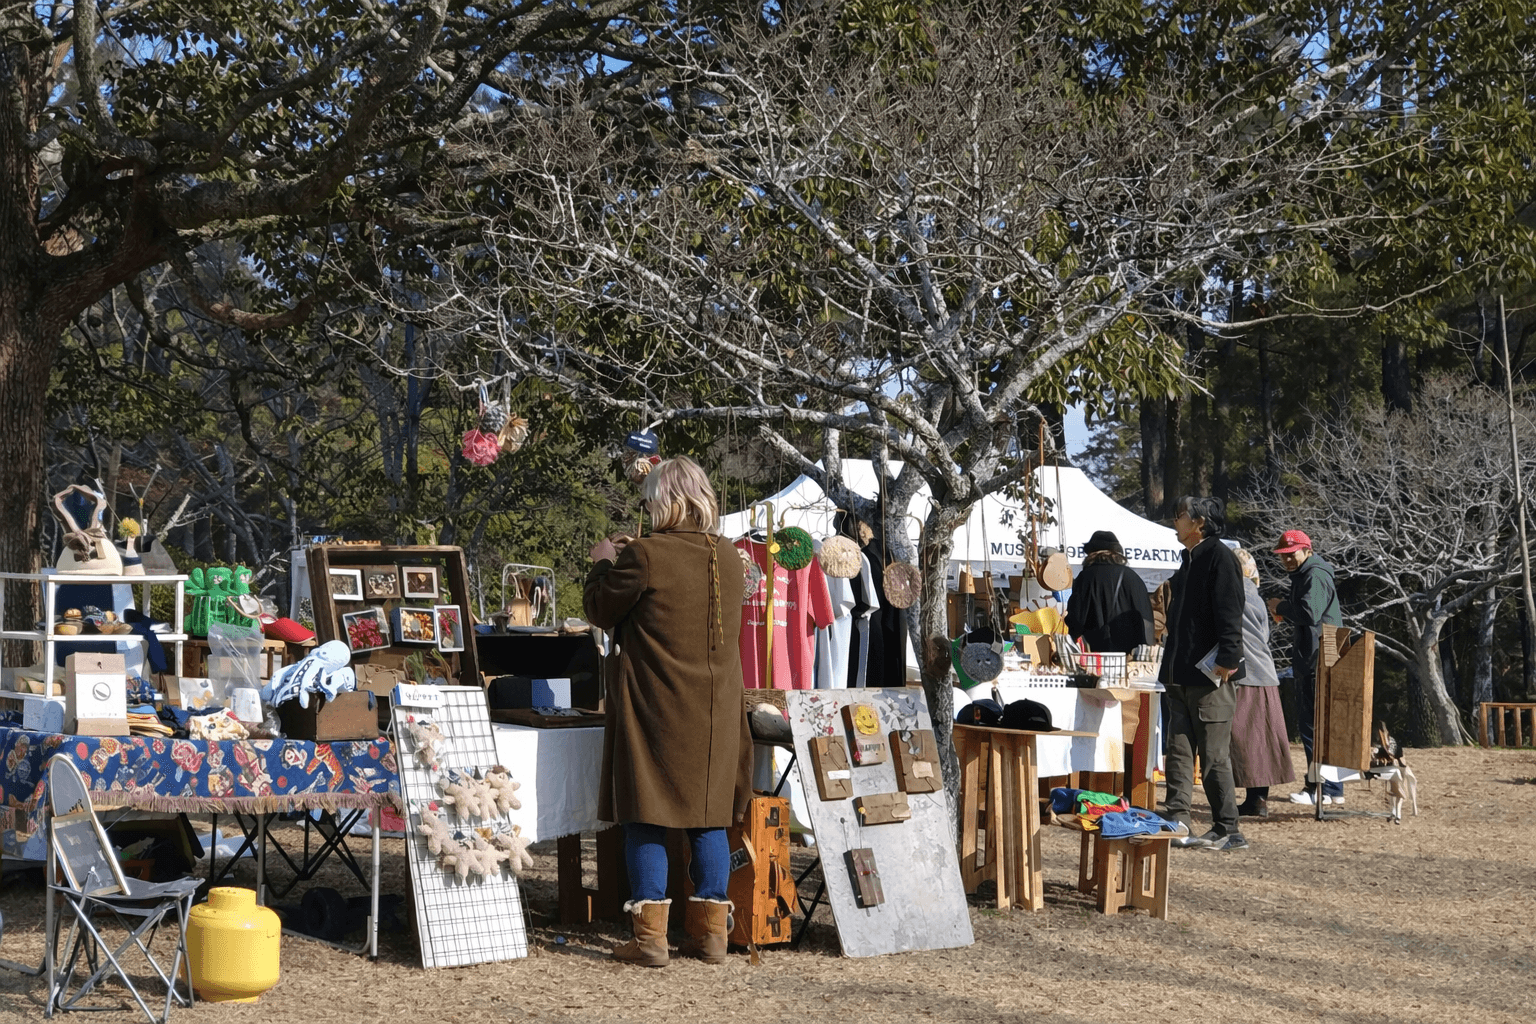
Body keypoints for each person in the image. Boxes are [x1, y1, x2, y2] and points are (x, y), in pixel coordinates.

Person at [584, 456, 753, 967]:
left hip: (658, 707)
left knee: (646, 816)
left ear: (663, 500)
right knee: (709, 820)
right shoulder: (728, 556)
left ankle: (651, 940)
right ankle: (711, 938)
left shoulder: (646, 556)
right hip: (717, 712)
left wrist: (601, 560)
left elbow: (600, 610)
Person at [1159, 496, 1247, 852]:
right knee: (1177, 752)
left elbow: (1230, 612)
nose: (1175, 521)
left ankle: (1228, 828)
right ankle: (1177, 819)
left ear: (1199, 522)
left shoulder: (1220, 558)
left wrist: (1228, 658)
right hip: (1179, 673)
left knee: (1213, 756)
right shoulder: (1188, 560)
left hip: (1212, 675)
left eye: (1180, 516)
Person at [1267, 529, 1345, 805]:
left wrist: (1281, 606)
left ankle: (1319, 790)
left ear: (1307, 550)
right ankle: (1332, 790)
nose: (1287, 559)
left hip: (1318, 659)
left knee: (1314, 726)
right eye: (1283, 555)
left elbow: (1310, 613)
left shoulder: (1315, 573)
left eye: (1292, 553)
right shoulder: (1308, 572)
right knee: (1323, 726)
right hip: (1321, 656)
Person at [1230, 549, 1296, 818]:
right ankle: (1257, 799)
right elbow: (1265, 635)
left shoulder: (1231, 593)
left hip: (1245, 673)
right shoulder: (1254, 596)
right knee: (1263, 740)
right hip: (1265, 672)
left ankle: (1252, 801)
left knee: (1242, 738)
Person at [1066, 530, 1155, 653]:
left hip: (1094, 655)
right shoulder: (1133, 578)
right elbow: (1146, 620)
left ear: (1091, 553)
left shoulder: (1085, 578)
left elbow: (1075, 620)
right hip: (1128, 655)